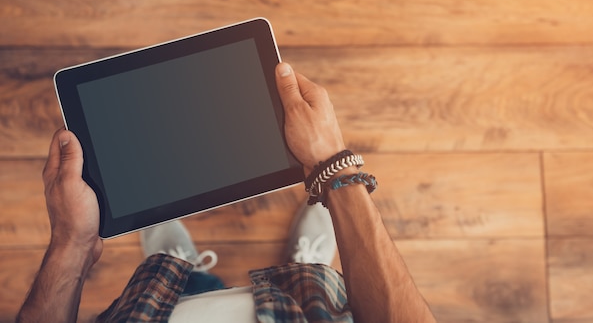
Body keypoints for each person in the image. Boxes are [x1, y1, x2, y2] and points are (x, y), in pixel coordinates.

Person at [16, 62, 437, 323]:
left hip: (152, 313)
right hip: (304, 316)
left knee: (174, 286)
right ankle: (304, 276)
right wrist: (331, 166)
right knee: (315, 298)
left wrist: (72, 242)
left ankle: (179, 272)